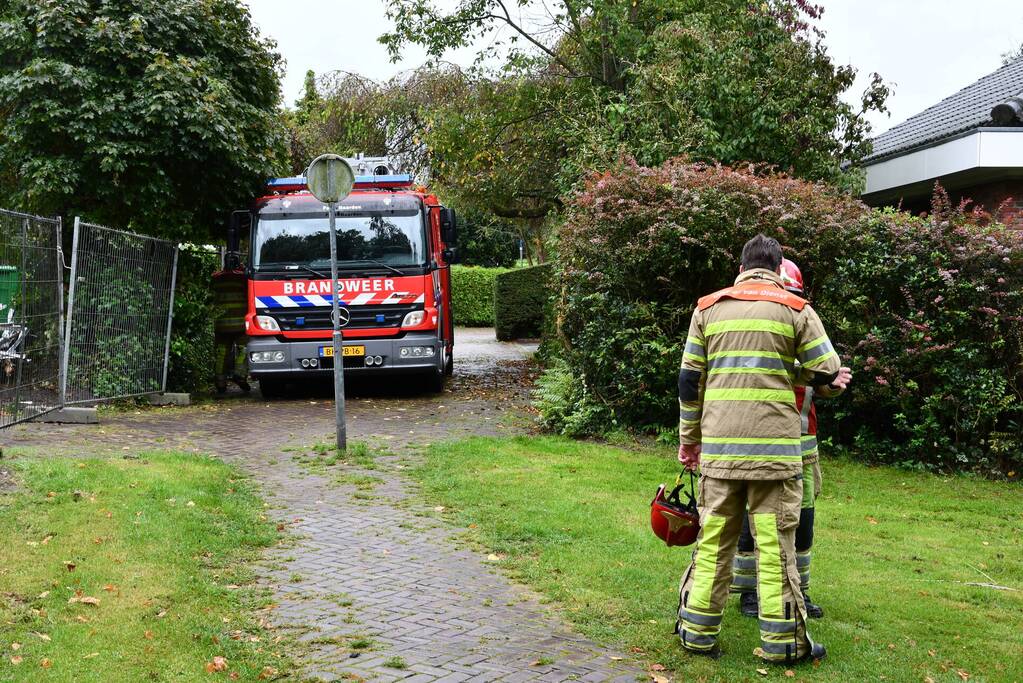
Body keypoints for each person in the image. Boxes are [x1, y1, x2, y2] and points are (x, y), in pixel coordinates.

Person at [675, 234, 850, 664]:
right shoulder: (796, 310)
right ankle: (782, 645)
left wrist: (689, 441)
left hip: (720, 452)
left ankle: (696, 635)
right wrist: (787, 366)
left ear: (740, 268)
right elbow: (826, 369)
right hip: (774, 457)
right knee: (774, 548)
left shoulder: (707, 308)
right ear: (777, 270)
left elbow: (688, 381)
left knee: (714, 541)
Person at [731, 259, 846, 620]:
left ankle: (799, 592)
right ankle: (750, 592)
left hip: (803, 448)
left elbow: (819, 381)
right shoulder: (751, 330)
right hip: (763, 445)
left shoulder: (803, 327)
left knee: (803, 523)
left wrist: (831, 384)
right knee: (757, 523)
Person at [212, 253, 251, 394]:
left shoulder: (216, 278)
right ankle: (240, 376)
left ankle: (220, 382)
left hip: (222, 324)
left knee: (222, 353)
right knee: (244, 349)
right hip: (241, 323)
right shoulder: (243, 277)